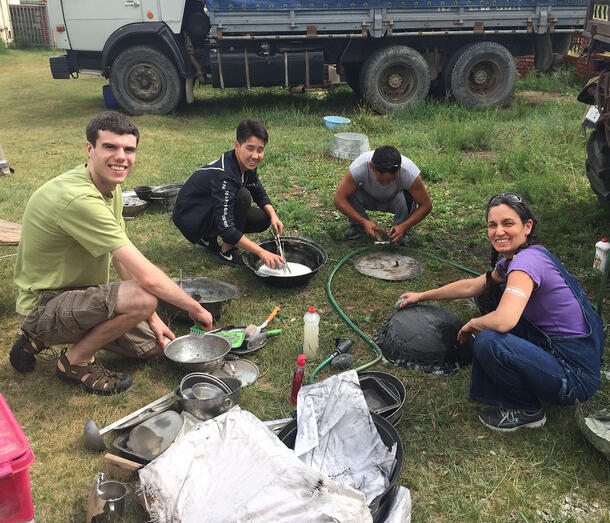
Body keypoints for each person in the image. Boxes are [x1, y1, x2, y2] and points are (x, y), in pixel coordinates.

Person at [11, 112, 213, 395]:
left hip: (79, 295)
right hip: (44, 305)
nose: (121, 157)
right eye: (110, 147)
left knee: (154, 348)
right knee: (143, 297)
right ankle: (72, 362)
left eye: (128, 149)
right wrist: (195, 307)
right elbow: (148, 279)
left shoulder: (108, 186)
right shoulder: (79, 199)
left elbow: (121, 259)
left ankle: (46, 341)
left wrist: (153, 319)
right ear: (89, 148)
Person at [396, 193, 604, 432]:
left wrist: (474, 324)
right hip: (570, 355)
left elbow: (504, 321)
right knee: (488, 291)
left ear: (527, 226)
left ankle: (526, 410)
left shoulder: (526, 264)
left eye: (508, 223)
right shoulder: (521, 257)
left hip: (574, 378)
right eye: (492, 225)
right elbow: (473, 285)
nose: (499, 232)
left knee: (489, 341)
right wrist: (423, 295)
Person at [173, 119, 285, 268]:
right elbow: (227, 229)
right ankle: (226, 252)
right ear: (237, 145)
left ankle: (209, 236)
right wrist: (261, 252)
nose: (255, 155)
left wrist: (273, 216)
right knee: (243, 196)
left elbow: (258, 191)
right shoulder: (225, 176)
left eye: (260, 150)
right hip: (191, 218)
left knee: (263, 219)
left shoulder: (245, 164)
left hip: (206, 208)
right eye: (250, 148)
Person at [333, 145, 432, 245]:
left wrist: (404, 226)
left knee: (408, 197)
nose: (386, 184)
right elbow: (339, 199)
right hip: (368, 197)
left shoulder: (409, 172)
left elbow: (426, 205)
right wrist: (363, 222)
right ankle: (358, 226)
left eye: (391, 180)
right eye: (381, 180)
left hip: (394, 200)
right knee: (349, 192)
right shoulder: (359, 167)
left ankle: (399, 232)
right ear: (371, 166)